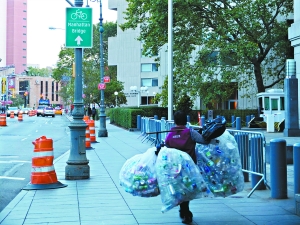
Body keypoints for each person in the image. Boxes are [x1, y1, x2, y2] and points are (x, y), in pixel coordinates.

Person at [164, 110, 209, 224]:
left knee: (180, 189)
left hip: (175, 168)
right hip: (190, 167)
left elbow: (166, 149)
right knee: (187, 188)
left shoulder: (169, 135)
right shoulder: (190, 133)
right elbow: (204, 140)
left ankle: (184, 211)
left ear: (174, 121)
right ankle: (185, 212)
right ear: (186, 120)